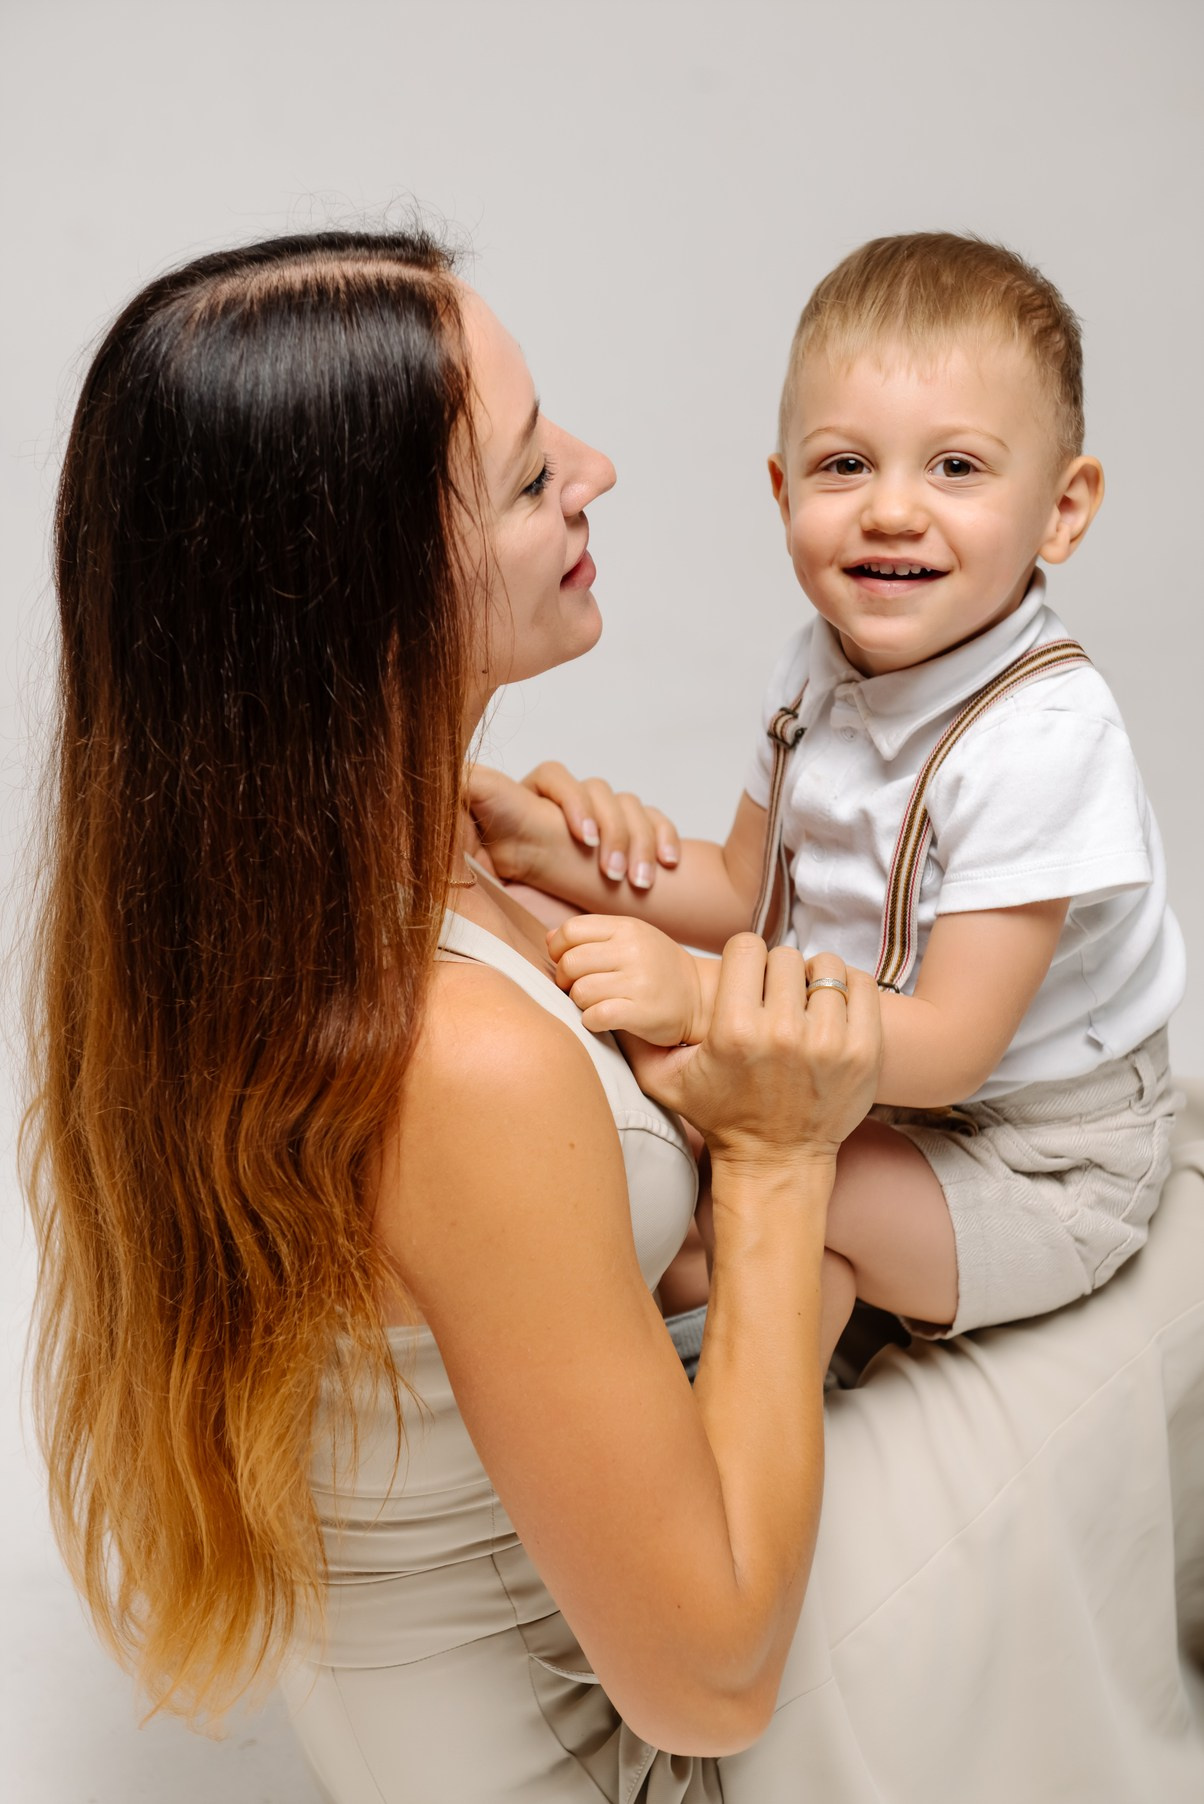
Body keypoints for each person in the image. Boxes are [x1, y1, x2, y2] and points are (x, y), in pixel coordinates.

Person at [23, 229, 884, 1800]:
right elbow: (710, 1681)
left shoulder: (328, 903)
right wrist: (773, 1169)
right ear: (371, 598)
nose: (599, 472)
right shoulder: (451, 1062)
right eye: (529, 475)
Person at [470, 233, 1185, 1352]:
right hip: (883, 1090)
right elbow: (744, 887)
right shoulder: (821, 660)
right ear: (782, 486)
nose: (891, 510)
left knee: (749, 1170)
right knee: (682, 1127)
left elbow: (950, 1043)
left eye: (955, 467)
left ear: (1062, 508)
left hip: (1033, 1158)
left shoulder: (1042, 738)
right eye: (845, 465)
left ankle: (729, 1418)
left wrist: (699, 999)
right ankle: (741, 1331)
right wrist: (555, 858)